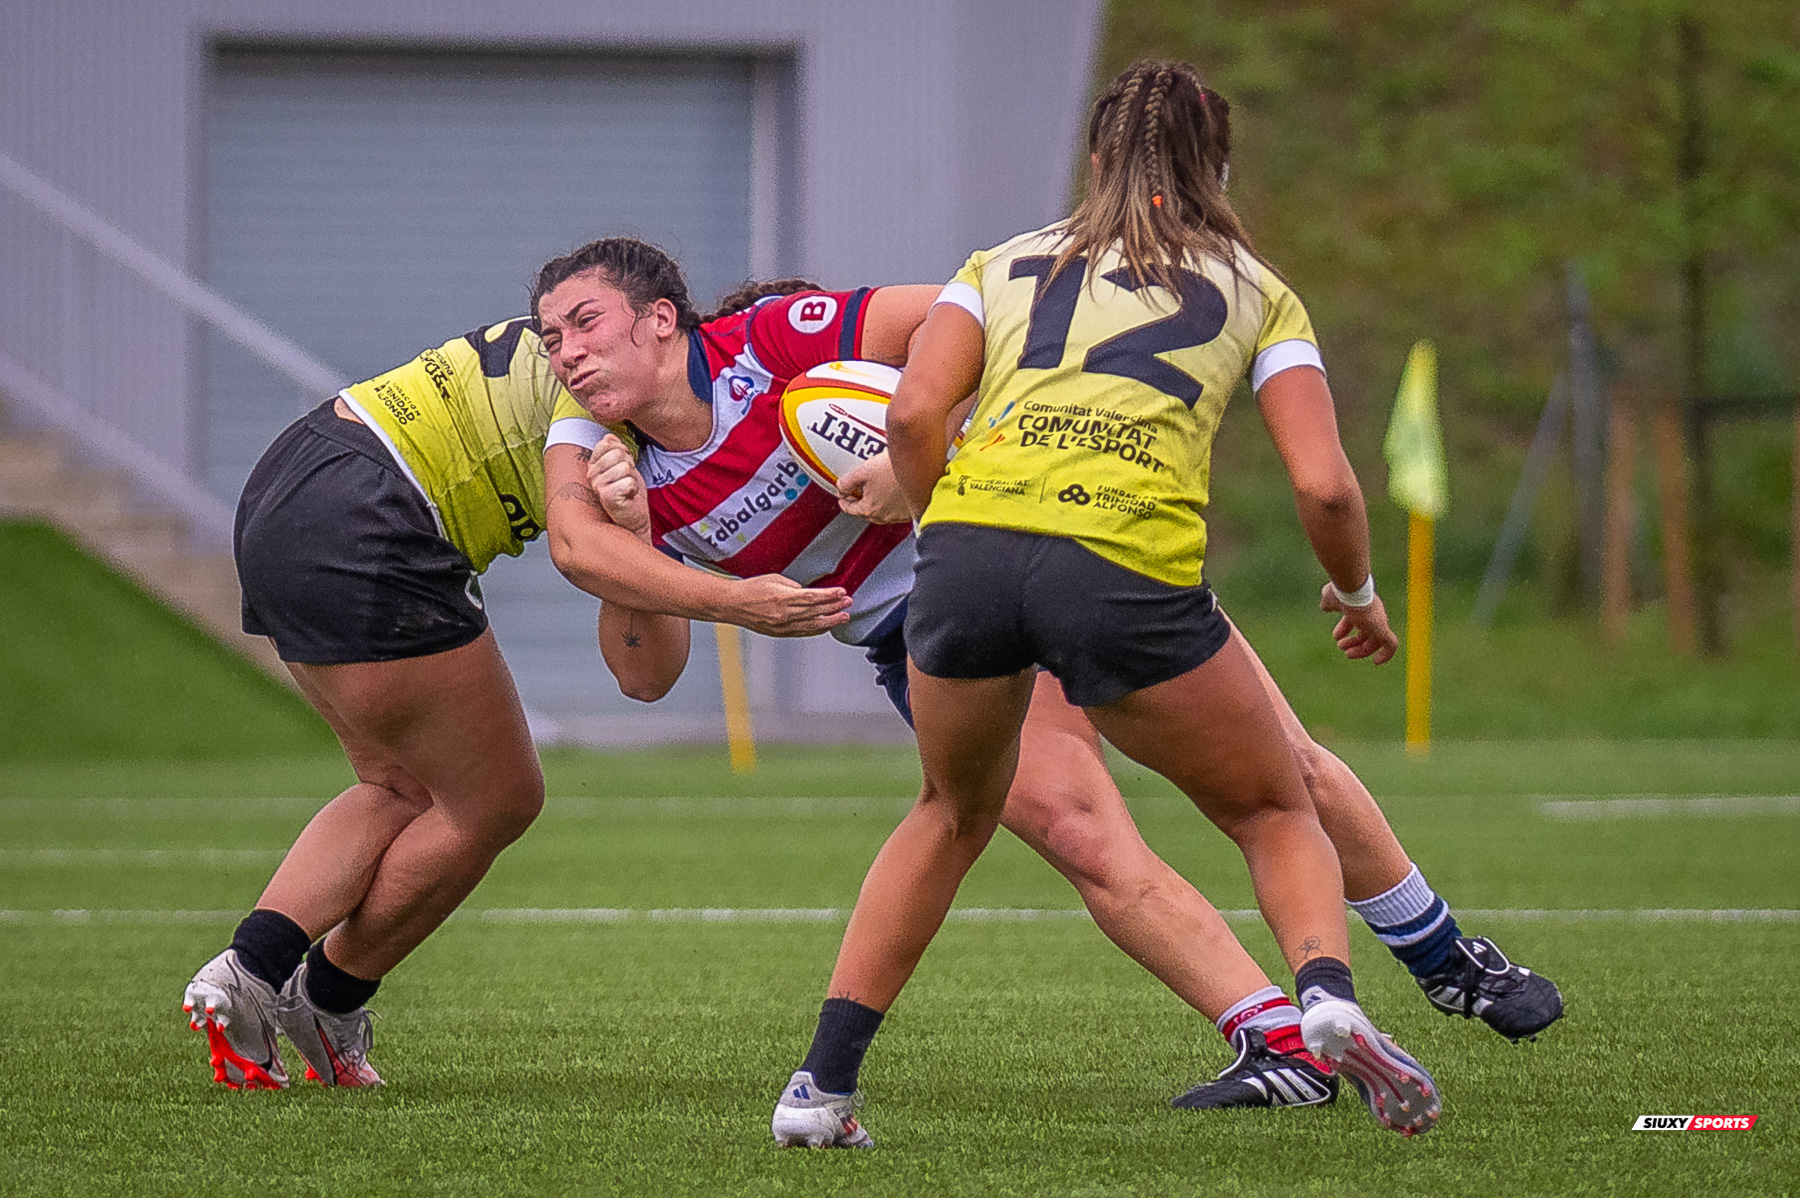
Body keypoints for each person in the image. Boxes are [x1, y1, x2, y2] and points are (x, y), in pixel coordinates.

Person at [526, 232, 1554, 1138]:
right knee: (1078, 829)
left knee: (1278, 768)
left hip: (1038, 536)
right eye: (550, 339)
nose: (567, 353)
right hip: (931, 637)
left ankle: (1447, 955)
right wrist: (640, 542)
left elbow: (990, 326)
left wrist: (917, 448)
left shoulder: (771, 342)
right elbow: (646, 671)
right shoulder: (603, 457)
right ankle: (1285, 1042)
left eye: (585, 323)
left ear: (663, 320)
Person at [768, 57, 1463, 1143]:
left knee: (949, 814)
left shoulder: (998, 264)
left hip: (967, 559)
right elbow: (1324, 483)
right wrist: (1357, 591)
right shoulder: (1254, 286)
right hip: (1121, 568)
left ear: (1095, 161)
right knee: (1273, 806)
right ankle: (1324, 996)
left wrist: (952, 517)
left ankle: (820, 1090)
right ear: (1217, 166)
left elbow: (911, 417)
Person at [180, 294, 853, 1089]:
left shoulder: (621, 382)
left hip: (291, 480)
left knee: (398, 786)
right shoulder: (624, 402)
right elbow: (584, 562)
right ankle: (316, 994)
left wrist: (635, 537)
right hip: (378, 505)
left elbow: (643, 670)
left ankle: (253, 968)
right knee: (498, 797)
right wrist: (736, 601)